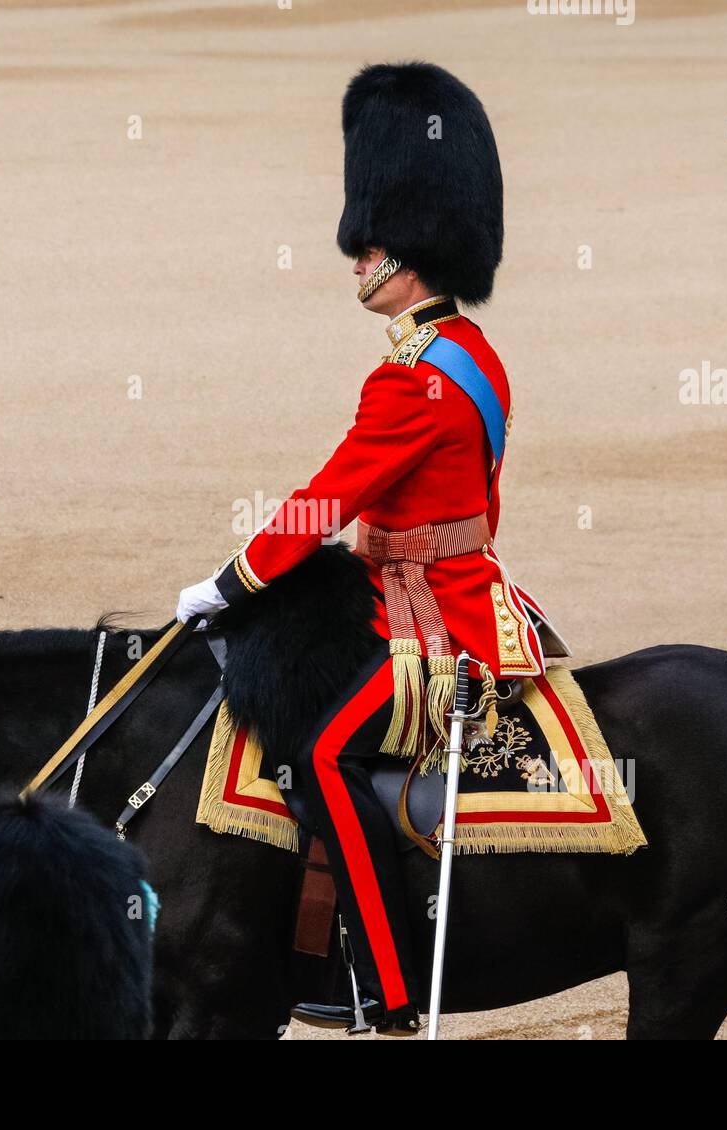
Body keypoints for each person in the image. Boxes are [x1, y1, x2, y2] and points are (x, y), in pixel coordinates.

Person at [176, 61, 565, 1035]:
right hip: (454, 594)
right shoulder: (467, 354)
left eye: (371, 246)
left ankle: (382, 982)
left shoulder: (412, 381)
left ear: (410, 253)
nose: (355, 260)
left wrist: (229, 582)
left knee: (326, 753)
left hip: (435, 627)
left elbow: (326, 497)